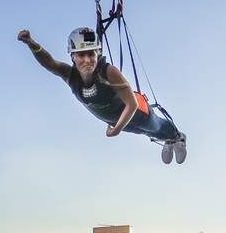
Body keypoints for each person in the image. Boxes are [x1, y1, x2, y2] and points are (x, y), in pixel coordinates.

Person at [18, 27, 187, 164]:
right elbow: (50, 63)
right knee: (145, 133)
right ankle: (168, 140)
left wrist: (116, 131)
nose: (87, 60)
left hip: (137, 113)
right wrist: (31, 43)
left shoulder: (108, 72)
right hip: (116, 122)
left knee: (154, 127)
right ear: (73, 56)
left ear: (97, 54)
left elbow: (132, 104)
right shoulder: (70, 76)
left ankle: (177, 137)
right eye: (81, 55)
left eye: (91, 54)